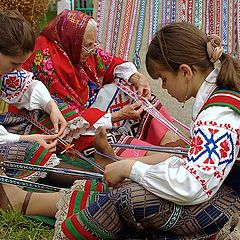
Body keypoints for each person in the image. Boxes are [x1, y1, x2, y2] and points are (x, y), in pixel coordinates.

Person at [2, 22, 239, 239]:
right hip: (219, 189)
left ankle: (26, 202)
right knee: (137, 182)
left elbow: (193, 184)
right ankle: (36, 196)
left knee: (128, 196)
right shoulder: (218, 101)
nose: (163, 87)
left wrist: (131, 167)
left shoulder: (218, 115)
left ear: (186, 72)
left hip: (229, 202)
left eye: (163, 78)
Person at [22, 9, 175, 162]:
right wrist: (116, 116)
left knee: (133, 91)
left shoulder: (78, 47)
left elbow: (111, 63)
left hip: (89, 111)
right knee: (104, 142)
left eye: (95, 44)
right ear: (72, 41)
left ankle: (170, 142)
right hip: (65, 127)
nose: (93, 50)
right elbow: (69, 118)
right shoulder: (47, 64)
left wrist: (137, 78)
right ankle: (154, 158)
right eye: (88, 45)